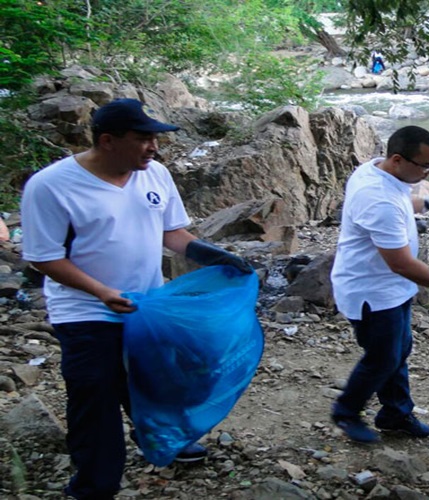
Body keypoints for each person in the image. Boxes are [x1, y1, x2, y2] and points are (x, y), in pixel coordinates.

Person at [21, 98, 253, 500]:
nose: (154, 148)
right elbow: (44, 258)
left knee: (157, 377)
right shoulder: (51, 186)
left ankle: (164, 438)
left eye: (155, 139)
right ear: (108, 141)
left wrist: (212, 254)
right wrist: (102, 292)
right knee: (95, 393)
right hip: (85, 309)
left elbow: (172, 233)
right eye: (143, 138)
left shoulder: (155, 175)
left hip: (148, 305)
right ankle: (94, 485)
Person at [330, 125, 429, 443]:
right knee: (382, 357)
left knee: (399, 350)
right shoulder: (376, 198)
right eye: (426, 166)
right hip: (370, 291)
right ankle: (346, 411)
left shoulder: (376, 170)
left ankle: (396, 414)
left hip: (394, 288)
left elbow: (403, 202)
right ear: (398, 159)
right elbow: (401, 264)